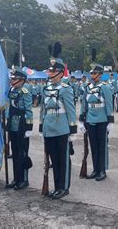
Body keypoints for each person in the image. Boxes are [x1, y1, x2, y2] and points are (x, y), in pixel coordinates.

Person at [39, 55, 77, 199]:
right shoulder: (46, 88)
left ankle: (64, 187)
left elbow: (71, 110)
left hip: (62, 128)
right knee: (54, 160)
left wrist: (72, 130)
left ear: (60, 73)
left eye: (52, 71)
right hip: (49, 128)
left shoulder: (65, 89)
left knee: (63, 159)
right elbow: (43, 109)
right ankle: (56, 186)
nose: (49, 74)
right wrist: (41, 128)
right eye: (49, 71)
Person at [79, 63, 114, 181]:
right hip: (90, 119)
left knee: (101, 146)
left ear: (100, 75)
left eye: (94, 73)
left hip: (102, 119)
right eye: (92, 73)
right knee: (93, 146)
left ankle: (102, 170)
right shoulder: (87, 87)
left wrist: (110, 121)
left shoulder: (105, 87)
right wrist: (81, 120)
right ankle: (95, 169)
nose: (92, 75)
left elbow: (109, 104)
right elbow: (84, 104)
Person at [5, 67, 33, 190]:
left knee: (22, 153)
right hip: (13, 124)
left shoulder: (24, 92)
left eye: (15, 78)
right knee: (15, 153)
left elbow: (29, 110)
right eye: (12, 78)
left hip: (22, 125)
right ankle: (16, 178)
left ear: (22, 80)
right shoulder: (11, 90)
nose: (12, 80)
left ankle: (24, 179)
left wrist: (29, 127)